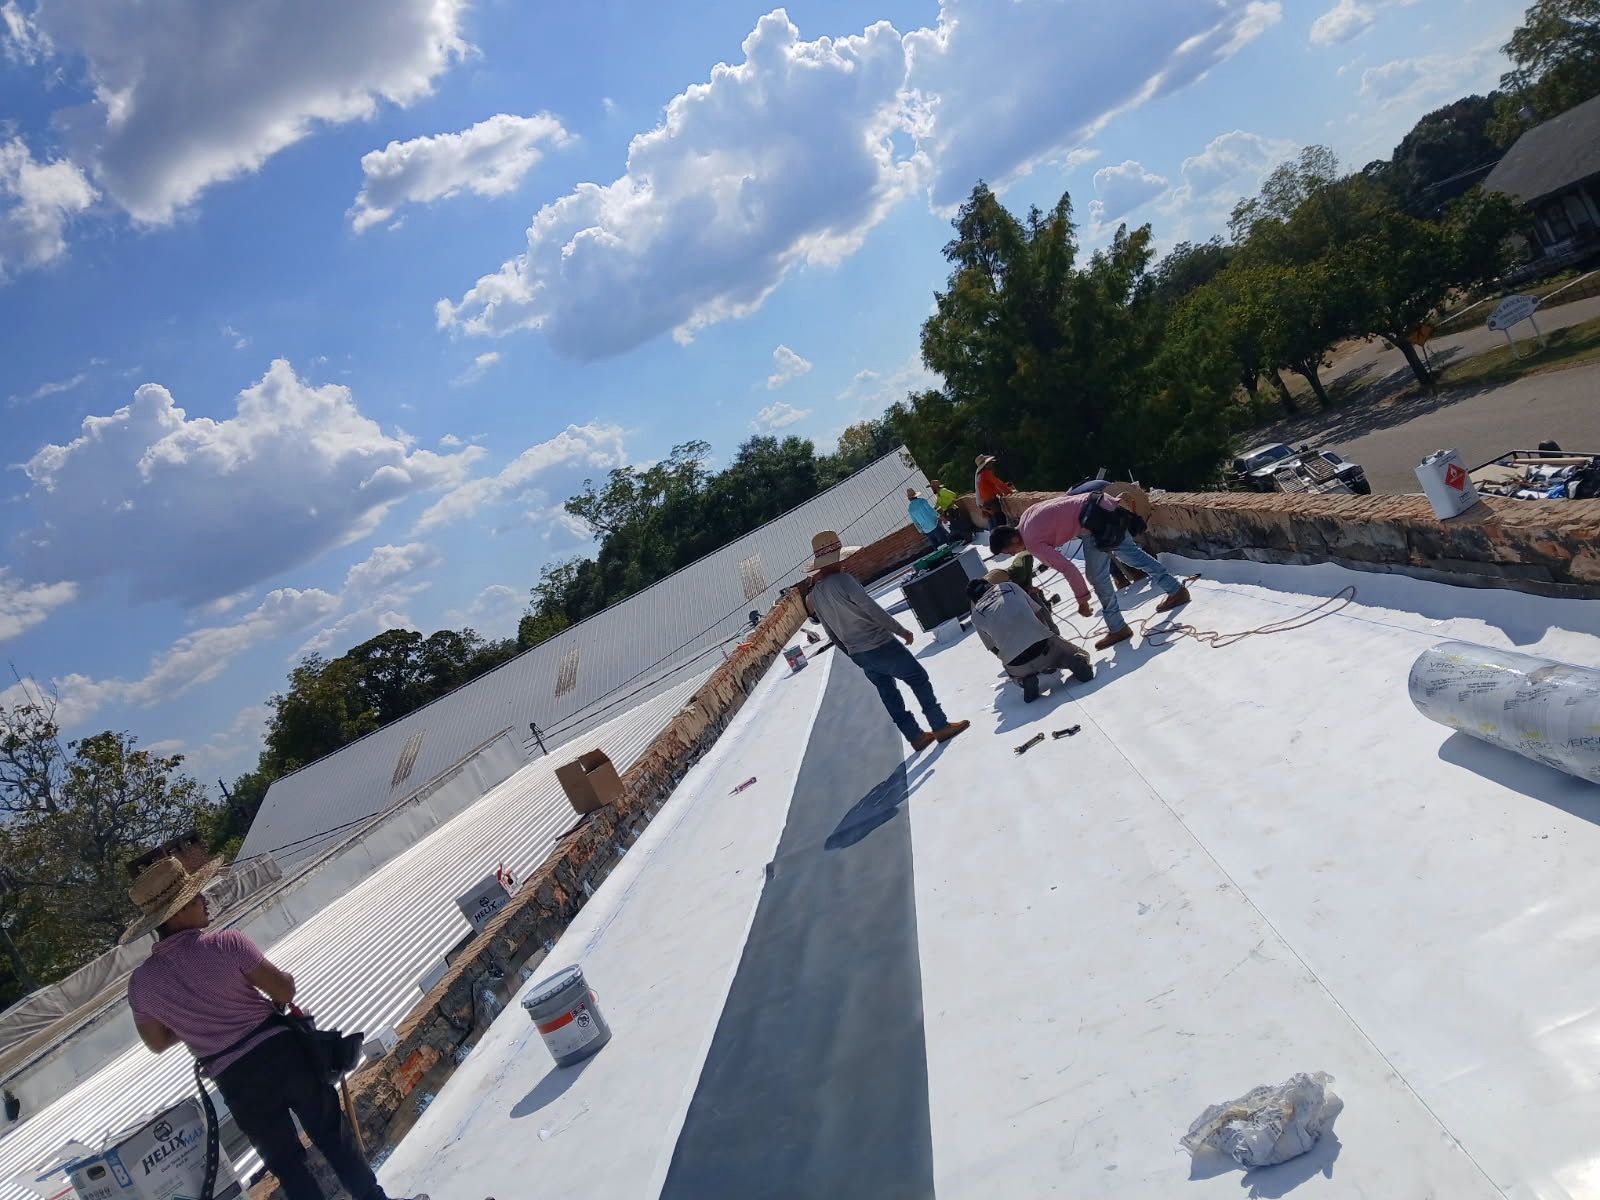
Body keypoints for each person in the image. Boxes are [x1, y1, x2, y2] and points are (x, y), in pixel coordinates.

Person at [124, 858, 425, 1200]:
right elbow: (282, 991)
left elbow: (158, 1042)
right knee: (331, 1135)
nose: (205, 901)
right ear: (176, 914)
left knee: (287, 1165)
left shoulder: (142, 984)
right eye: (196, 899)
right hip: (283, 1056)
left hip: (236, 1081)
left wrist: (195, 1019)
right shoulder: (226, 945)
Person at [801, 530, 969, 750]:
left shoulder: (815, 595)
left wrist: (851, 653)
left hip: (859, 653)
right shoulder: (844, 580)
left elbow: (831, 633)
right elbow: (871, 609)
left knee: (888, 693)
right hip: (879, 643)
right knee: (917, 677)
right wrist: (901, 630)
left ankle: (915, 736)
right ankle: (940, 725)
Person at [988, 490, 1190, 651]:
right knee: (1132, 556)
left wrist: (1082, 600)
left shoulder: (1032, 542)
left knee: (1097, 576)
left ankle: (1118, 628)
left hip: (1095, 523)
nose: (1013, 554)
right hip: (1101, 505)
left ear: (1013, 540)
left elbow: (1069, 568)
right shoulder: (1026, 517)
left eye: (1009, 551)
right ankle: (1176, 590)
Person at [968, 573, 1094, 702]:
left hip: (1017, 664)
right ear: (989, 584)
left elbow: (994, 648)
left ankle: (1024, 680)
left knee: (1018, 674)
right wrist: (1048, 634)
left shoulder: (976, 615)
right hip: (1044, 647)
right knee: (1071, 654)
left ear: (974, 600)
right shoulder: (1008, 586)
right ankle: (1073, 660)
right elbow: (1040, 613)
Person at [973, 454, 1015, 529]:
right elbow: (998, 483)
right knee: (1000, 523)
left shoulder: (979, 476)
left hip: (986, 503)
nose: (992, 464)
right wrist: (1009, 492)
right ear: (986, 465)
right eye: (990, 463)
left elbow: (992, 487)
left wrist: (1001, 493)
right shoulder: (985, 473)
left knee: (993, 525)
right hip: (992, 503)